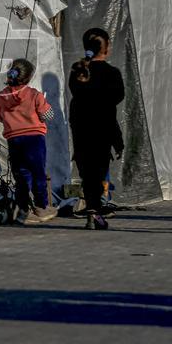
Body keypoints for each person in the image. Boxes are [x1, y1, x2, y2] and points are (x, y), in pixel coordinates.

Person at [69, 28, 124, 230]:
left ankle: (93, 210)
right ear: (106, 47)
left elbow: (75, 93)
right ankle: (96, 211)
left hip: (81, 130)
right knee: (99, 174)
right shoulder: (112, 74)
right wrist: (117, 141)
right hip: (103, 130)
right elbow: (115, 101)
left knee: (87, 174)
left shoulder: (78, 71)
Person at [0, 58, 57, 225]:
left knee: (21, 175)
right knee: (38, 173)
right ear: (28, 78)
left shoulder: (1, 96)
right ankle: (41, 207)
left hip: (14, 139)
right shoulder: (35, 95)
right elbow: (47, 115)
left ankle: (23, 209)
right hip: (34, 139)